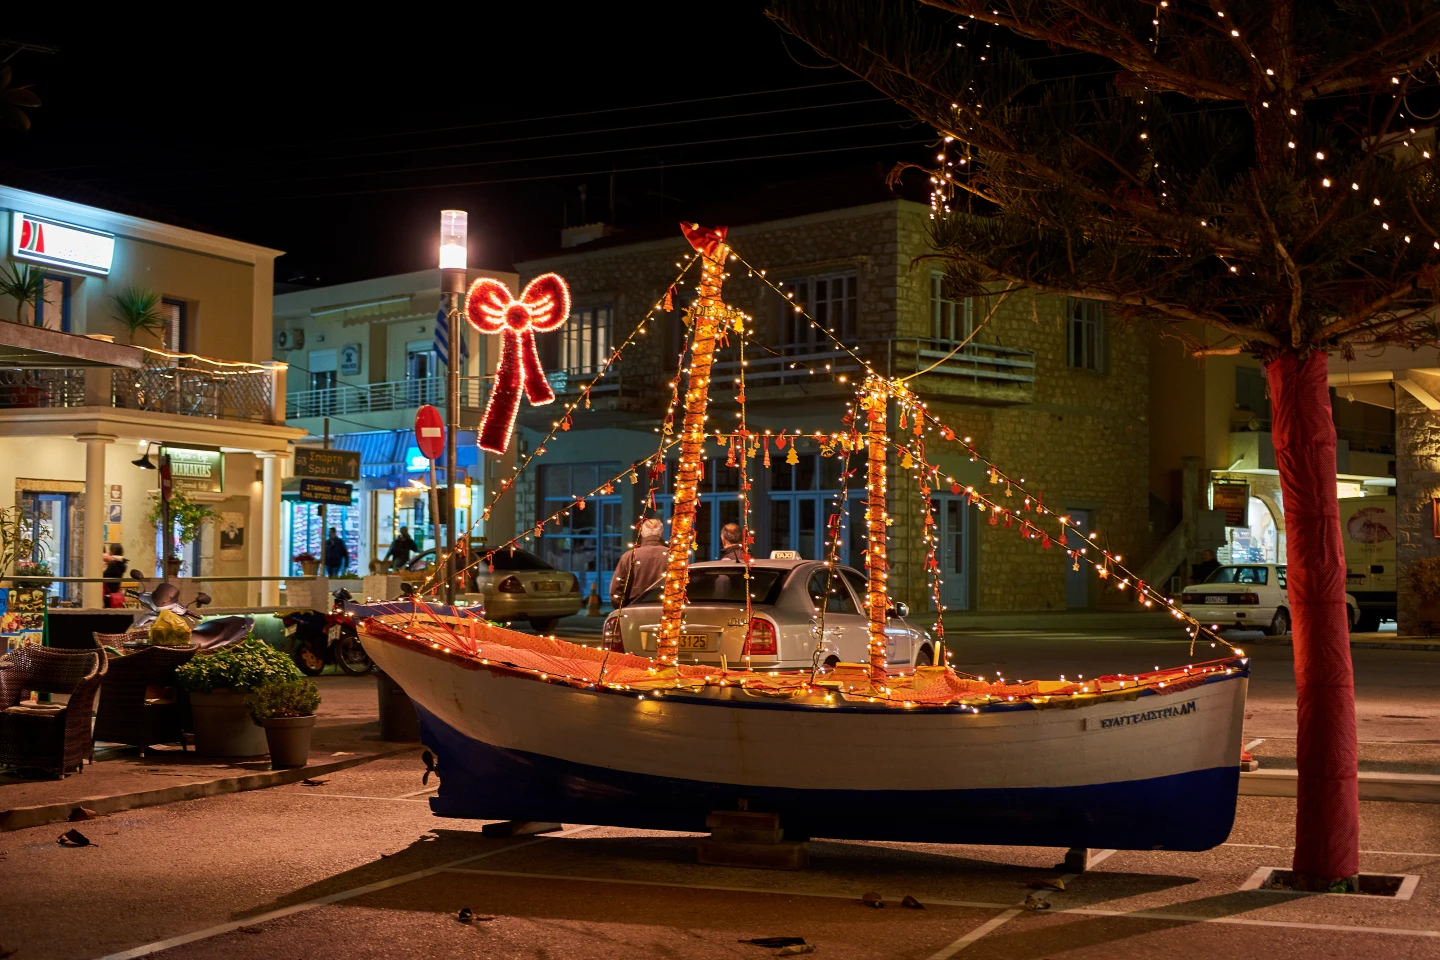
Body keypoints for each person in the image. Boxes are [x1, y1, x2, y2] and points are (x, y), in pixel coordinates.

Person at [609, 518, 668, 609]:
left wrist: (622, 609)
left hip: (635, 608)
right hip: (667, 609)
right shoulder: (673, 555)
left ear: (642, 533)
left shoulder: (629, 556)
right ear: (662, 534)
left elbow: (617, 589)